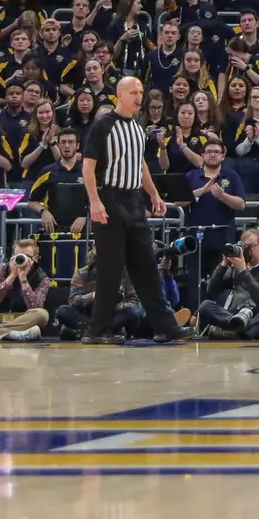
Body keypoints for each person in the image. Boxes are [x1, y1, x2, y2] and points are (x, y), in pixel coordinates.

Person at [77, 77, 187, 345]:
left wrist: (154, 194)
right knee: (111, 269)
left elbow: (141, 165)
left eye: (141, 91)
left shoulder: (139, 128)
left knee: (147, 266)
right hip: (109, 198)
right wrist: (94, 201)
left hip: (134, 200)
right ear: (119, 95)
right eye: (133, 92)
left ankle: (166, 327)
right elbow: (88, 167)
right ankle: (96, 330)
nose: (139, 96)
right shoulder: (103, 125)